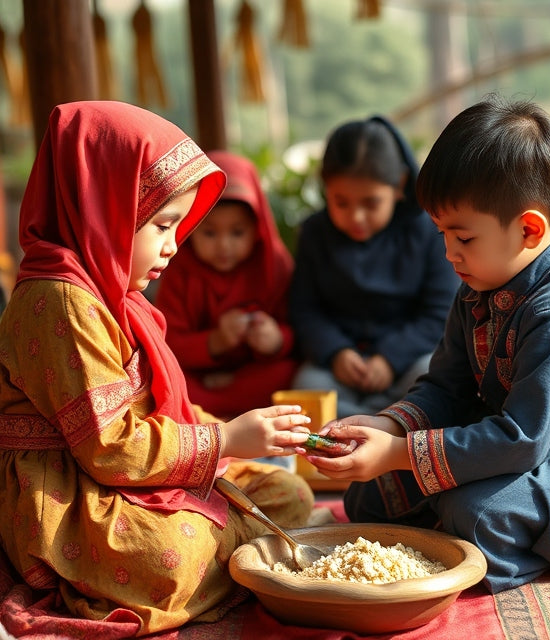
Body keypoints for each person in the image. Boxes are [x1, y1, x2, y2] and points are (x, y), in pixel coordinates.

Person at [301, 96, 550, 594]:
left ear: (529, 229)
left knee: (475, 512)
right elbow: (447, 386)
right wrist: (387, 424)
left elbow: (522, 439)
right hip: (526, 450)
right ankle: (448, 515)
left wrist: (400, 452)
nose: (448, 253)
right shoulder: (477, 286)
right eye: (441, 233)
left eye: (462, 237)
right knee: (373, 492)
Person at [0, 101, 315, 636]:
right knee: (174, 558)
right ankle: (226, 558)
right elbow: (109, 448)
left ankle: (235, 551)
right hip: (73, 492)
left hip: (129, 469)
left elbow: (156, 404)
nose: (174, 247)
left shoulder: (112, 289)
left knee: (289, 495)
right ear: (103, 210)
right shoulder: (59, 298)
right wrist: (225, 440)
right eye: (163, 225)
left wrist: (250, 434)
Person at [289, 116, 459, 418]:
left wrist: (390, 358)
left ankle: (361, 427)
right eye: (341, 202)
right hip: (339, 368)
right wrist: (336, 352)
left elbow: (441, 310)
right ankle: (382, 424)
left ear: (400, 185)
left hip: (407, 360)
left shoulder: (428, 230)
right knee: (307, 389)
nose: (356, 217)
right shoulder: (315, 233)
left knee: (431, 378)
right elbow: (304, 307)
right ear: (325, 188)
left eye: (370, 203)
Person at [155, 150, 298, 422]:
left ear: (258, 227)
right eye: (209, 232)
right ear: (189, 225)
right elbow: (167, 341)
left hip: (253, 375)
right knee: (163, 378)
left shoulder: (273, 264)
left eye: (237, 232)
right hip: (197, 378)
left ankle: (202, 415)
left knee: (290, 373)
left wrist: (275, 340)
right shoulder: (178, 268)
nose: (224, 246)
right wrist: (215, 342)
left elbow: (298, 329)